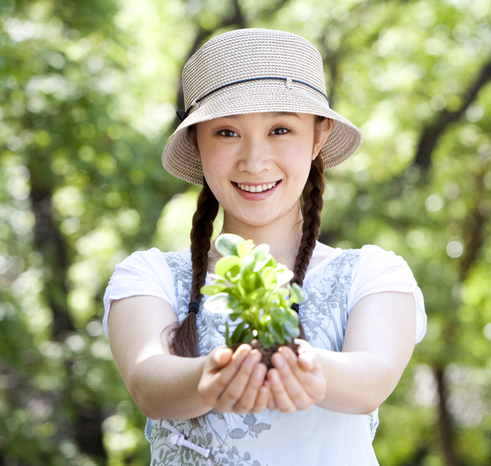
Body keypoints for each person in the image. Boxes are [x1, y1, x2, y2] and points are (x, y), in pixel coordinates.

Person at [103, 28, 427, 465]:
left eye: (279, 129)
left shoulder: (373, 274)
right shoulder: (148, 276)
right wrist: (210, 377)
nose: (254, 161)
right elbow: (148, 382)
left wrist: (304, 366)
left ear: (318, 137)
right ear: (197, 144)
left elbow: (373, 376)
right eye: (226, 133)